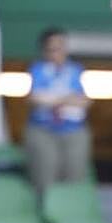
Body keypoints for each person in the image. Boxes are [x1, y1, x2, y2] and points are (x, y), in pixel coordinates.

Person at [25, 27, 91, 192]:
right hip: (43, 128)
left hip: (72, 128)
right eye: (53, 49)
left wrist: (54, 99)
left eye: (61, 47)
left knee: (74, 171)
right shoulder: (38, 69)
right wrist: (65, 99)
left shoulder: (75, 70)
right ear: (45, 50)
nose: (58, 53)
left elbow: (84, 101)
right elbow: (35, 98)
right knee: (45, 171)